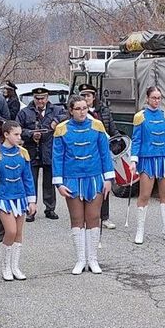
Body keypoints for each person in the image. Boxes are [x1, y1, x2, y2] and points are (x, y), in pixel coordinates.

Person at [52, 95, 114, 274]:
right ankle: (80, 260)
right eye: (78, 109)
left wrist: (108, 179)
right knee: (77, 219)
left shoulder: (97, 125)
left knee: (93, 217)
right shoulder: (62, 129)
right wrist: (59, 183)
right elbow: (57, 157)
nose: (82, 112)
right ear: (70, 110)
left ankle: (93, 259)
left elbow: (105, 154)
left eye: (85, 108)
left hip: (94, 177)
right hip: (72, 179)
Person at [0, 119, 38, 280]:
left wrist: (32, 200)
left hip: (20, 197)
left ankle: (15, 267)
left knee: (19, 233)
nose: (19, 137)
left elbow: (28, 178)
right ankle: (5, 266)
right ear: (6, 134)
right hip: (4, 197)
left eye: (20, 134)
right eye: (16, 134)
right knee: (11, 231)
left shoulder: (23, 153)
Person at [131, 86, 165, 244]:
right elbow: (136, 140)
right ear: (147, 99)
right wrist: (133, 160)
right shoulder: (140, 117)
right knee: (144, 195)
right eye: (154, 98)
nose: (156, 101)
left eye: (159, 98)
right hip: (147, 159)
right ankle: (140, 231)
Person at [17, 86, 66, 221]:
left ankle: (50, 208)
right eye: (37, 98)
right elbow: (17, 129)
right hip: (32, 151)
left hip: (49, 150)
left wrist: (56, 120)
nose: (40, 101)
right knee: (30, 182)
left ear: (47, 98)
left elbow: (68, 115)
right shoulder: (24, 112)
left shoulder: (56, 110)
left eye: (42, 98)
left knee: (49, 182)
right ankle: (30, 210)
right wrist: (30, 134)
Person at [80, 83, 120, 230]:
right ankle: (86, 216)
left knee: (105, 184)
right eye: (83, 96)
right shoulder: (79, 113)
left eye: (88, 95)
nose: (86, 98)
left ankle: (105, 217)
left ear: (94, 97)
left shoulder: (104, 110)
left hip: (102, 153)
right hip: (87, 153)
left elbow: (112, 130)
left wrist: (117, 142)